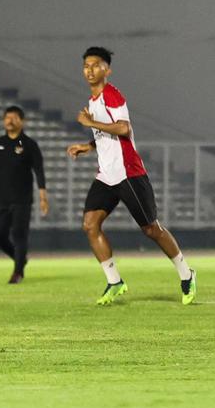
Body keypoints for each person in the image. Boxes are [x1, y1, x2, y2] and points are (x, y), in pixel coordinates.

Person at [66, 47, 196, 305]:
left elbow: (124, 128)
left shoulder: (111, 95)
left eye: (95, 65)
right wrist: (88, 145)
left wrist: (91, 124)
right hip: (106, 176)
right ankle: (114, 281)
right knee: (90, 225)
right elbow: (108, 134)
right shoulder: (92, 102)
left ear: (107, 69)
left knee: (151, 229)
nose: (89, 70)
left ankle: (186, 273)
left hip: (129, 173)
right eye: (86, 66)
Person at [0, 105, 48, 283]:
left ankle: (18, 272)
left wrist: (42, 197)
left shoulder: (29, 145)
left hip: (22, 200)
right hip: (1, 199)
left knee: (19, 234)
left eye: (14, 118)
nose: (9, 121)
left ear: (22, 121)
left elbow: (39, 171)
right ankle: (20, 258)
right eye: (7, 118)